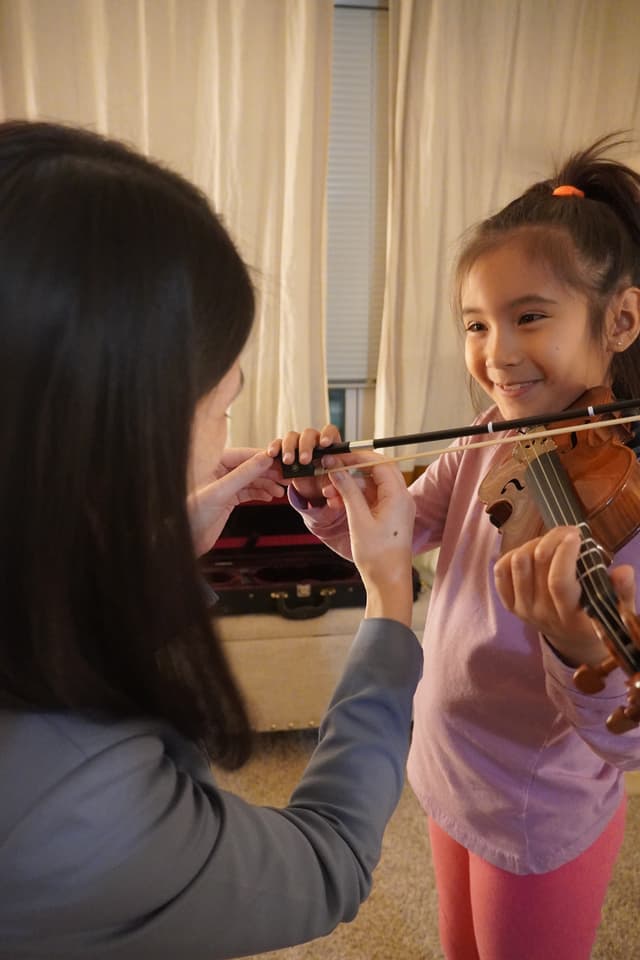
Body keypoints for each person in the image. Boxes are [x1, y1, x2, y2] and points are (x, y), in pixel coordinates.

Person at [0, 119, 424, 960]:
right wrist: (389, 595)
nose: (227, 430)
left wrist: (151, 536)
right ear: (120, 432)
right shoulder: (75, 805)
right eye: (223, 403)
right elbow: (328, 861)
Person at [276, 135, 640, 960]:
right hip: (447, 763)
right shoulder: (486, 436)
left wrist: (581, 643)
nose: (497, 354)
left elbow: (625, 738)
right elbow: (405, 523)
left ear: (619, 319)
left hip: (535, 803)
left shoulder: (627, 495)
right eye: (477, 324)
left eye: (530, 318)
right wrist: (330, 491)